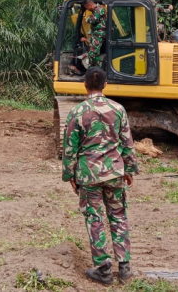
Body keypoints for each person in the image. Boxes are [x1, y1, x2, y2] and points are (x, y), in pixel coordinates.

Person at [62, 67, 139, 285]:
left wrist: (70, 174)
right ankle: (124, 268)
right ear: (105, 85)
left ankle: (104, 270)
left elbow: (69, 147)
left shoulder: (77, 112)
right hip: (114, 173)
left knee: (94, 219)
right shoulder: (119, 109)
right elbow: (127, 143)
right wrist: (130, 170)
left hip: (89, 174)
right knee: (118, 216)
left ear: (85, 85)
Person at [80, 0, 106, 67]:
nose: (87, 9)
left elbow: (92, 20)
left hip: (99, 34)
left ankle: (100, 68)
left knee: (93, 54)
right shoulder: (95, 11)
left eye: (86, 8)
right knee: (90, 53)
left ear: (89, 5)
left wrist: (87, 19)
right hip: (95, 34)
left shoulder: (98, 9)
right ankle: (91, 70)